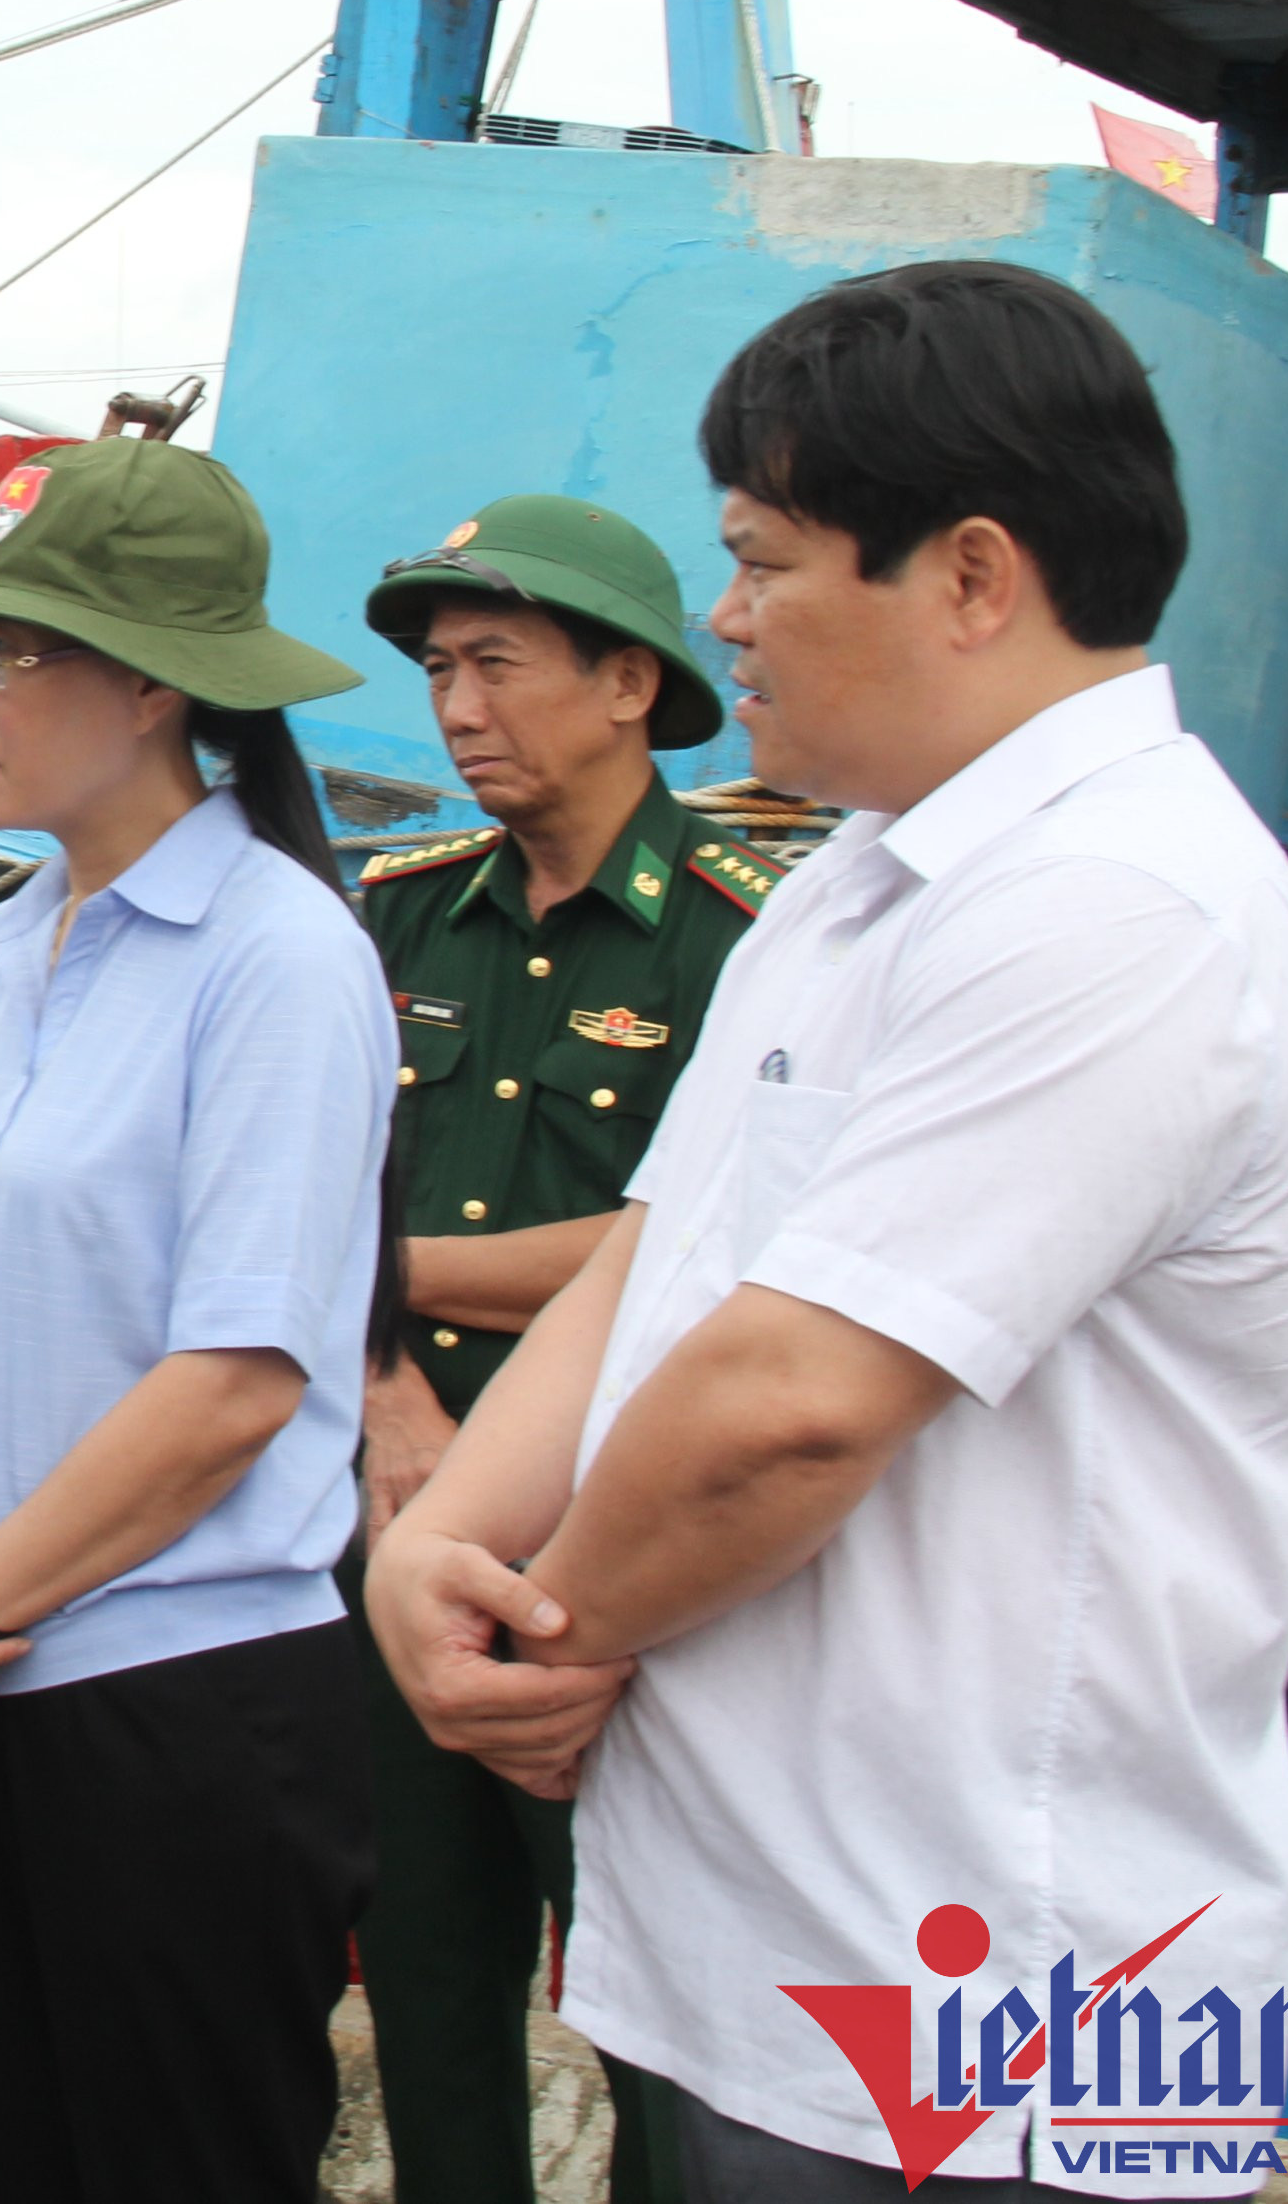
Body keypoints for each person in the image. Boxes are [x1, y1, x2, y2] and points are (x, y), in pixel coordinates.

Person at [367, 262, 1288, 2204]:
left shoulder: (1117, 906)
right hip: (772, 1947)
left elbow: (787, 1401)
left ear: (968, 576)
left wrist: (525, 1642)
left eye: (760, 560)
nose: (721, 617)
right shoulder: (849, 891)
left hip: (1010, 1999)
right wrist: (444, 1545)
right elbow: (664, 1252)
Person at [0, 436, 394, 2204]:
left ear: (154, 683)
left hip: (179, 1711)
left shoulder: (279, 955)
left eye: (11, 650)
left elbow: (233, 1382)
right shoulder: (3, 951)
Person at [347, 496, 774, 2204]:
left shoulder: (745, 936)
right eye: (442, 668)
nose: (458, 705)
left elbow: (708, 1243)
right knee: (427, 1984)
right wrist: (386, 1399)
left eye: (499, 663)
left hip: (614, 1560)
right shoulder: (396, 912)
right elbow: (290, 1191)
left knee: (656, 1998)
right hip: (393, 1533)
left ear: (624, 682)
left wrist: (397, 1270)